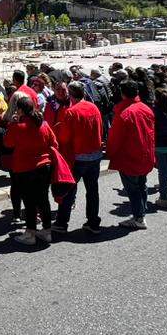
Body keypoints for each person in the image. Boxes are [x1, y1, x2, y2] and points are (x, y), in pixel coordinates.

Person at [4, 92, 59, 245]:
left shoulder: (18, 126)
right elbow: (54, 144)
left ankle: (30, 233)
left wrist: (13, 124)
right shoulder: (44, 124)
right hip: (44, 166)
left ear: (20, 110)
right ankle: (46, 231)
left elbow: (8, 143)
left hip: (25, 169)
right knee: (43, 199)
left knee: (29, 201)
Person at [52, 80, 104, 233]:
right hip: (95, 155)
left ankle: (62, 223)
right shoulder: (93, 107)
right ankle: (93, 222)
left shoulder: (71, 112)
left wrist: (58, 128)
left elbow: (64, 138)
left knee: (69, 190)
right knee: (93, 190)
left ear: (70, 94)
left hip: (78, 157)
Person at [106, 80, 156, 229]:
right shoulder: (146, 108)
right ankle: (141, 212)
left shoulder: (124, 113)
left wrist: (109, 153)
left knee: (132, 189)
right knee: (142, 185)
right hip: (145, 154)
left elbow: (115, 138)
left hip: (129, 157)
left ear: (122, 93)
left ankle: (139, 218)